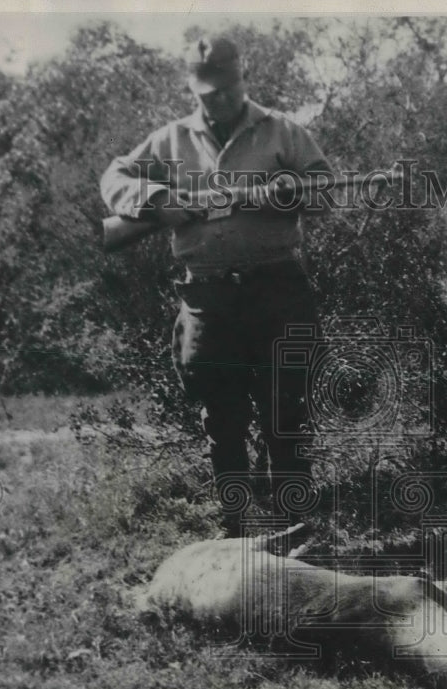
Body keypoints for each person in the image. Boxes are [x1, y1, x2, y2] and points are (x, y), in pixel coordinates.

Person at [100, 36, 331, 535]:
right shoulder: (169, 140)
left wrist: (285, 197)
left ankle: (294, 535)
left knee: (285, 418)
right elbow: (114, 179)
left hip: (277, 293)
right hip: (208, 298)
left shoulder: (283, 132)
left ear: (243, 78)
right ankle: (235, 532)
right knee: (221, 421)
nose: (219, 100)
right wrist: (157, 199)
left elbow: (324, 192)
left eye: (226, 88)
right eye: (208, 93)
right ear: (193, 89)